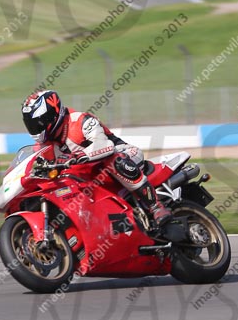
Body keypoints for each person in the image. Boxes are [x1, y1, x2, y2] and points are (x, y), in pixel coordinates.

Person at [21, 89, 171, 229]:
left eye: (39, 122)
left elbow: (105, 145)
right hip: (91, 175)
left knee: (115, 160)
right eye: (32, 125)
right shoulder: (44, 145)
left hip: (123, 153)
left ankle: (156, 206)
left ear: (52, 115)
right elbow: (35, 164)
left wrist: (80, 155)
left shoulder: (80, 121)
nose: (36, 128)